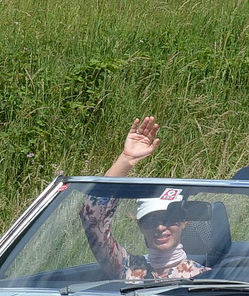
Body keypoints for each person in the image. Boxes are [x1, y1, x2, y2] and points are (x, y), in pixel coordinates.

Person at [78, 117, 210, 282]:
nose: (160, 227)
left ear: (184, 222)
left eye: (169, 218)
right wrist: (126, 160)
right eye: (150, 220)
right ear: (140, 225)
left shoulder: (205, 277)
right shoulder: (130, 269)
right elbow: (92, 218)